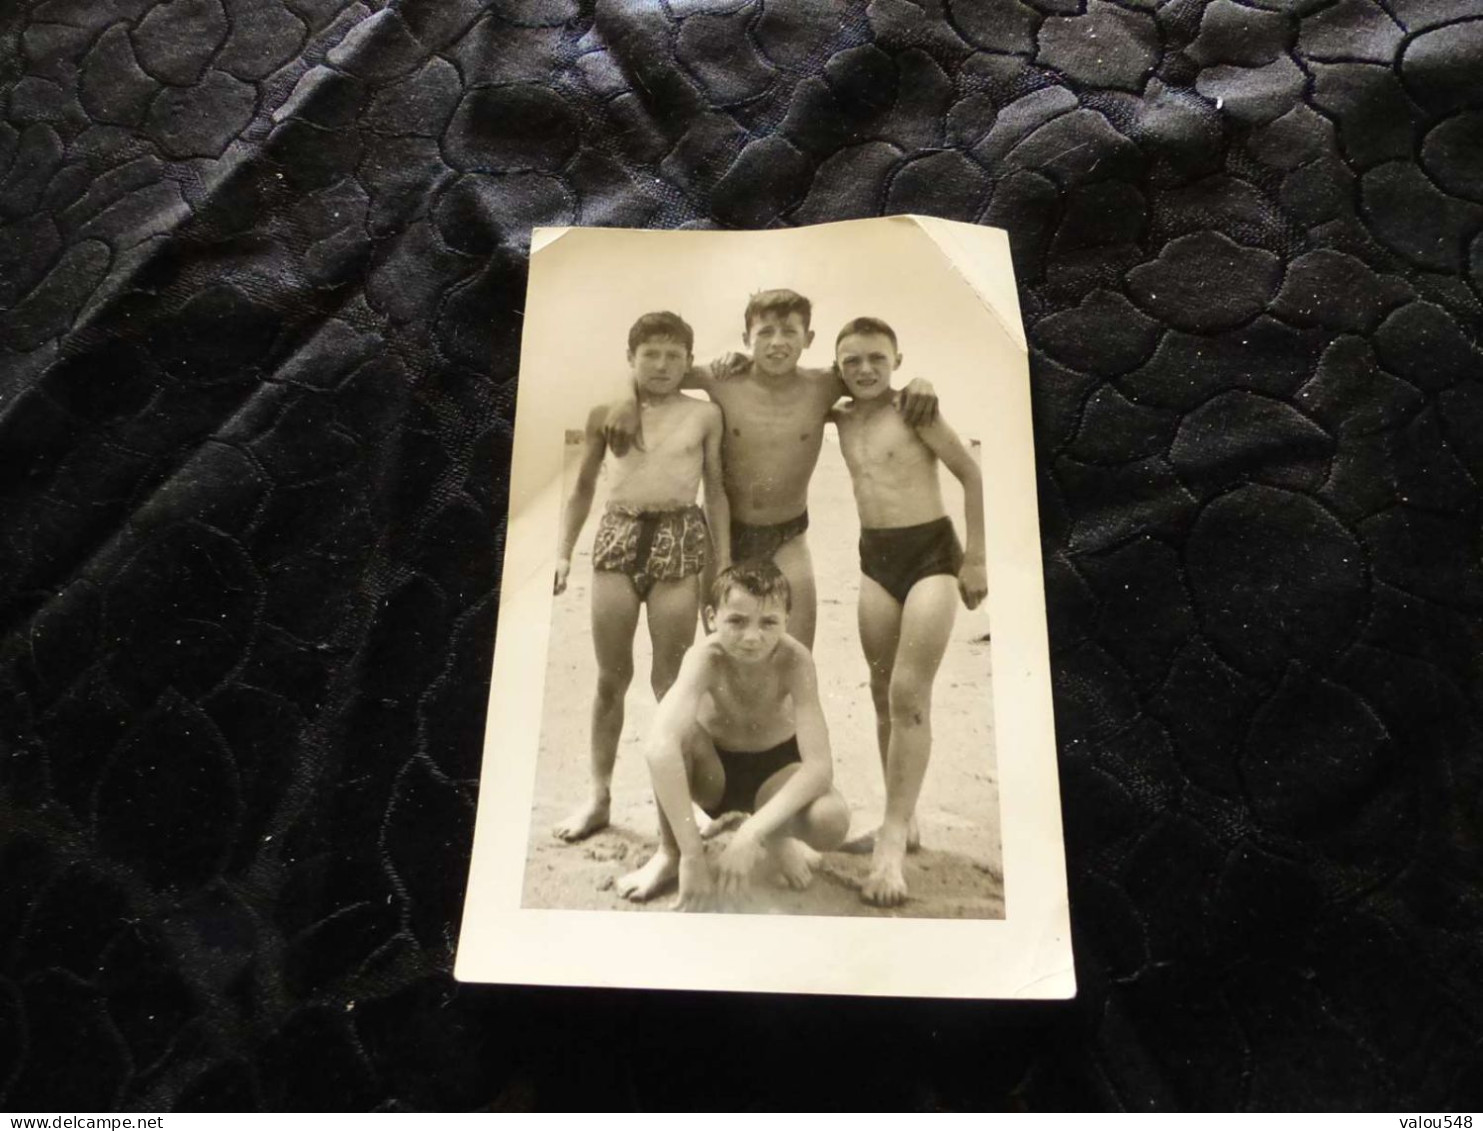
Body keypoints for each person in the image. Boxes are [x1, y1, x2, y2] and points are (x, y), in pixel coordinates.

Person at [604, 289, 937, 649]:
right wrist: (625, 397)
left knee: (796, 650)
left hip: (788, 536)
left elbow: (875, 378)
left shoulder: (825, 384)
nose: (777, 343)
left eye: (789, 332)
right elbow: (655, 371)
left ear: (808, 339)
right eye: (765, 332)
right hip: (722, 535)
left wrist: (921, 383)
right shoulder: (722, 379)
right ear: (747, 338)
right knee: (723, 651)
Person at [550, 311, 730, 842]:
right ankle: (599, 797)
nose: (662, 364)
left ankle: (686, 804)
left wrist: (721, 563)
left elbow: (716, 491)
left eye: (675, 355)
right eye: (650, 353)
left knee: (671, 685)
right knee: (611, 680)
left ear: (690, 362)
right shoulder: (607, 411)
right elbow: (582, 487)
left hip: (680, 537)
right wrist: (562, 552)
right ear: (630, 359)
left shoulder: (705, 415)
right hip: (618, 536)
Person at [830, 317, 988, 907]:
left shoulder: (916, 409)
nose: (865, 369)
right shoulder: (841, 415)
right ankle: (906, 816)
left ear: (897, 359)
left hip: (931, 556)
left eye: (877, 357)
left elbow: (971, 474)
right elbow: (785, 387)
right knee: (879, 691)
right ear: (838, 366)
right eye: (852, 361)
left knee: (908, 696)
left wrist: (977, 560)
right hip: (876, 558)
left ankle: (891, 846)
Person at [616, 561, 850, 909]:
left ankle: (772, 836)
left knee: (832, 818)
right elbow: (658, 748)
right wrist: (692, 856)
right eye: (737, 621)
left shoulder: (795, 660)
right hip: (714, 776)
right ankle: (669, 853)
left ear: (787, 620)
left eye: (768, 622)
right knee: (676, 737)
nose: (752, 637)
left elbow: (819, 767)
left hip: (774, 778)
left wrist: (750, 833)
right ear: (712, 617)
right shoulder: (705, 658)